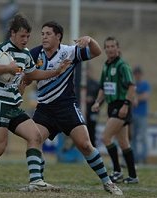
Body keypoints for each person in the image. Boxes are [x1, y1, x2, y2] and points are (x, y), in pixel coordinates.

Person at [0, 14, 71, 191]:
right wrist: (7, 68)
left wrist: (55, 72)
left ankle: (36, 182)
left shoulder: (25, 54)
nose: (25, 40)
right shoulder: (1, 49)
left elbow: (32, 74)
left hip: (13, 105)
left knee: (35, 136)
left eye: (28, 36)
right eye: (22, 36)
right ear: (12, 34)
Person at [27, 21, 123, 195]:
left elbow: (96, 52)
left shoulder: (69, 52)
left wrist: (90, 40)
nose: (44, 37)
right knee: (34, 139)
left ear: (58, 36)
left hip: (66, 107)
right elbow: (27, 74)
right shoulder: (35, 53)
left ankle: (107, 182)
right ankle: (36, 181)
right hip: (45, 108)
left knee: (85, 145)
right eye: (42, 33)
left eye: (48, 34)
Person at [91, 36, 139, 184]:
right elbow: (103, 88)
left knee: (105, 137)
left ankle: (117, 172)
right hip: (112, 106)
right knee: (124, 143)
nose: (110, 49)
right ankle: (132, 176)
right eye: (108, 46)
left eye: (113, 46)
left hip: (121, 105)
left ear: (118, 48)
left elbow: (132, 86)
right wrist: (98, 102)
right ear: (105, 49)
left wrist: (126, 105)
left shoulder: (122, 66)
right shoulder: (106, 65)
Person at [131, 65, 151, 164]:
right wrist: (136, 97)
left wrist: (135, 97)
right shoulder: (132, 85)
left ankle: (143, 157)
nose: (137, 75)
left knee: (142, 136)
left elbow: (145, 97)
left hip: (142, 114)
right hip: (132, 114)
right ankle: (135, 157)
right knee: (133, 137)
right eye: (136, 74)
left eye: (139, 74)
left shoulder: (145, 84)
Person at [85, 65, 100, 147]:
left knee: (92, 131)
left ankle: (93, 148)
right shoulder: (79, 84)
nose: (86, 73)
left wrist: (94, 102)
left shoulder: (95, 84)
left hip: (92, 112)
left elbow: (101, 98)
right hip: (82, 111)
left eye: (88, 71)